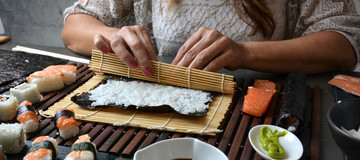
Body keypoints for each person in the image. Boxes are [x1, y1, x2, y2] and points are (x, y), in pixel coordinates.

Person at [62, 0, 360, 77]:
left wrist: (244, 53)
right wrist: (115, 35)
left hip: (262, 117)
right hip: (167, 113)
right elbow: (73, 28)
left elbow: (343, 45)